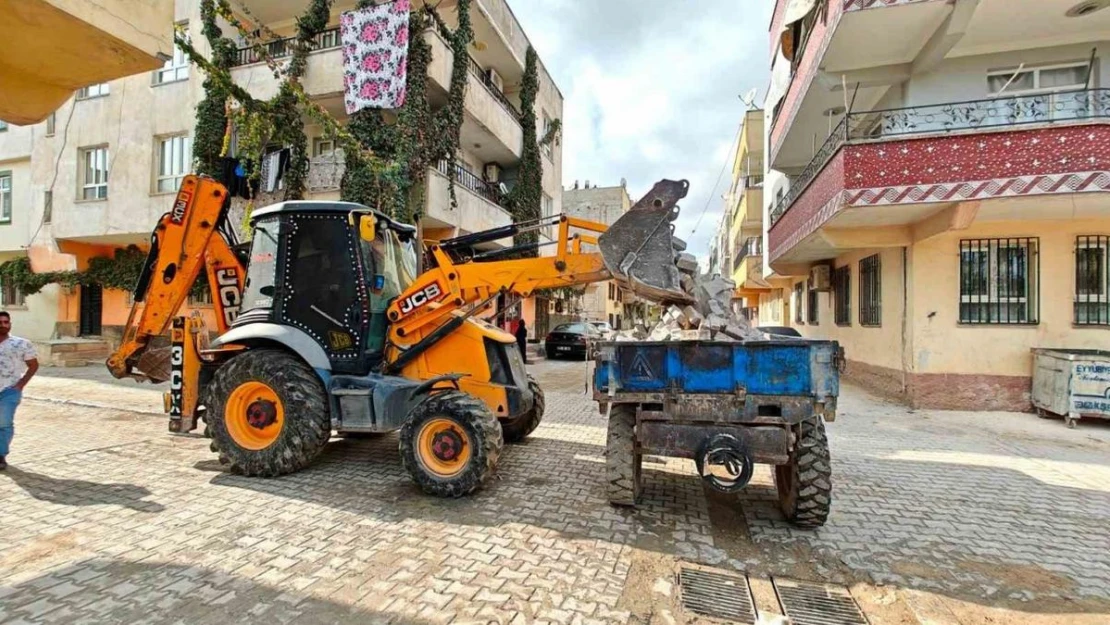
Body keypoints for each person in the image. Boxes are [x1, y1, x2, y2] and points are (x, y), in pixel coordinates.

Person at [0, 311, 38, 470]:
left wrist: (21, 384)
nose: (2, 325)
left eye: (5, 322)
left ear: (10, 324)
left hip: (10, 390)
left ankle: (1, 455)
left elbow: (33, 365)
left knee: (4, 422)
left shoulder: (21, 344)